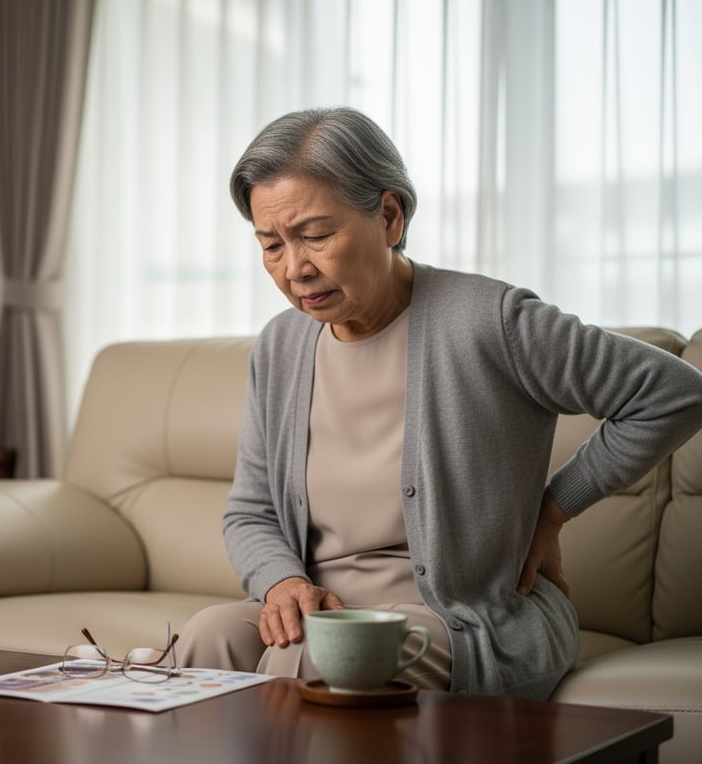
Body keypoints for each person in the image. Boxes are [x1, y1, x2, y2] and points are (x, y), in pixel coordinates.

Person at [175, 107, 702, 700]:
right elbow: (250, 510)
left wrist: (552, 509)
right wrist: (281, 581)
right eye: (271, 244)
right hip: (326, 610)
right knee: (205, 642)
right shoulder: (281, 345)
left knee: (318, 664)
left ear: (390, 215)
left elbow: (673, 393)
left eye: (317, 235)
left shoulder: (489, 321)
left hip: (463, 617)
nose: (295, 268)